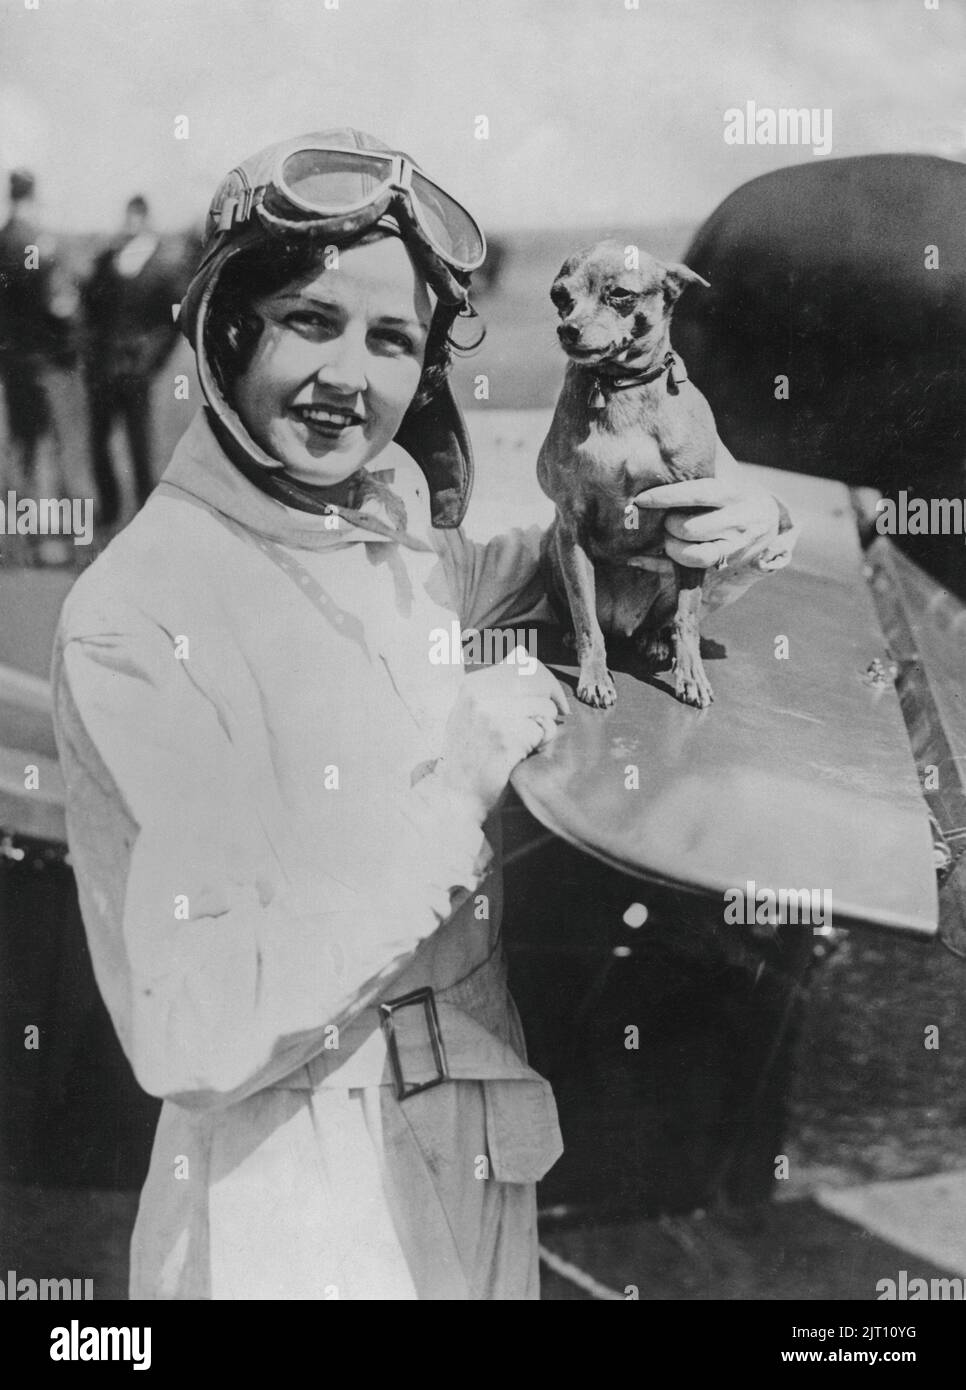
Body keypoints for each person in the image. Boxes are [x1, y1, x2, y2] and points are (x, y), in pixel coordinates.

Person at [51, 130, 799, 1300]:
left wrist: (743, 522)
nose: (351, 375)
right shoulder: (139, 614)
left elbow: (559, 565)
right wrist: (453, 793)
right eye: (312, 319)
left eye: (391, 338)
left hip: (478, 1144)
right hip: (288, 1195)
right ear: (228, 325)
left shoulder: (384, 525)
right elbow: (194, 1032)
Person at [81, 195, 181, 526]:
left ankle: (144, 514)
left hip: (138, 372)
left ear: (145, 219)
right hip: (104, 369)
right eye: (128, 217)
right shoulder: (107, 259)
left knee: (140, 445)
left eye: (137, 218)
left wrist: (153, 363)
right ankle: (108, 511)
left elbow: (173, 323)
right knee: (99, 443)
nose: (131, 223)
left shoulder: (162, 268)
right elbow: (90, 308)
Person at [0, 169, 76, 497]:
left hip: (11, 356)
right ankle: (46, 520)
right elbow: (56, 304)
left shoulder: (3, 239)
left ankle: (23, 503)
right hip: (43, 359)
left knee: (22, 436)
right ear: (31, 198)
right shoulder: (38, 243)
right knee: (48, 438)